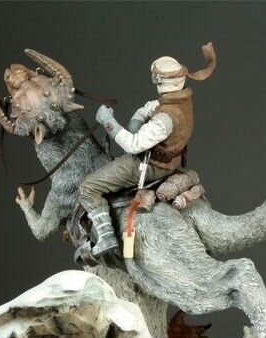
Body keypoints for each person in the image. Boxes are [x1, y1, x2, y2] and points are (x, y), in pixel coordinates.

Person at [77, 43, 217, 259]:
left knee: (88, 187)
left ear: (160, 81)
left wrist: (108, 122)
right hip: (171, 162)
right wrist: (137, 119)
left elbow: (132, 145)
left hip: (149, 166)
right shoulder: (180, 100)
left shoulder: (165, 118)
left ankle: (106, 237)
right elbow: (152, 106)